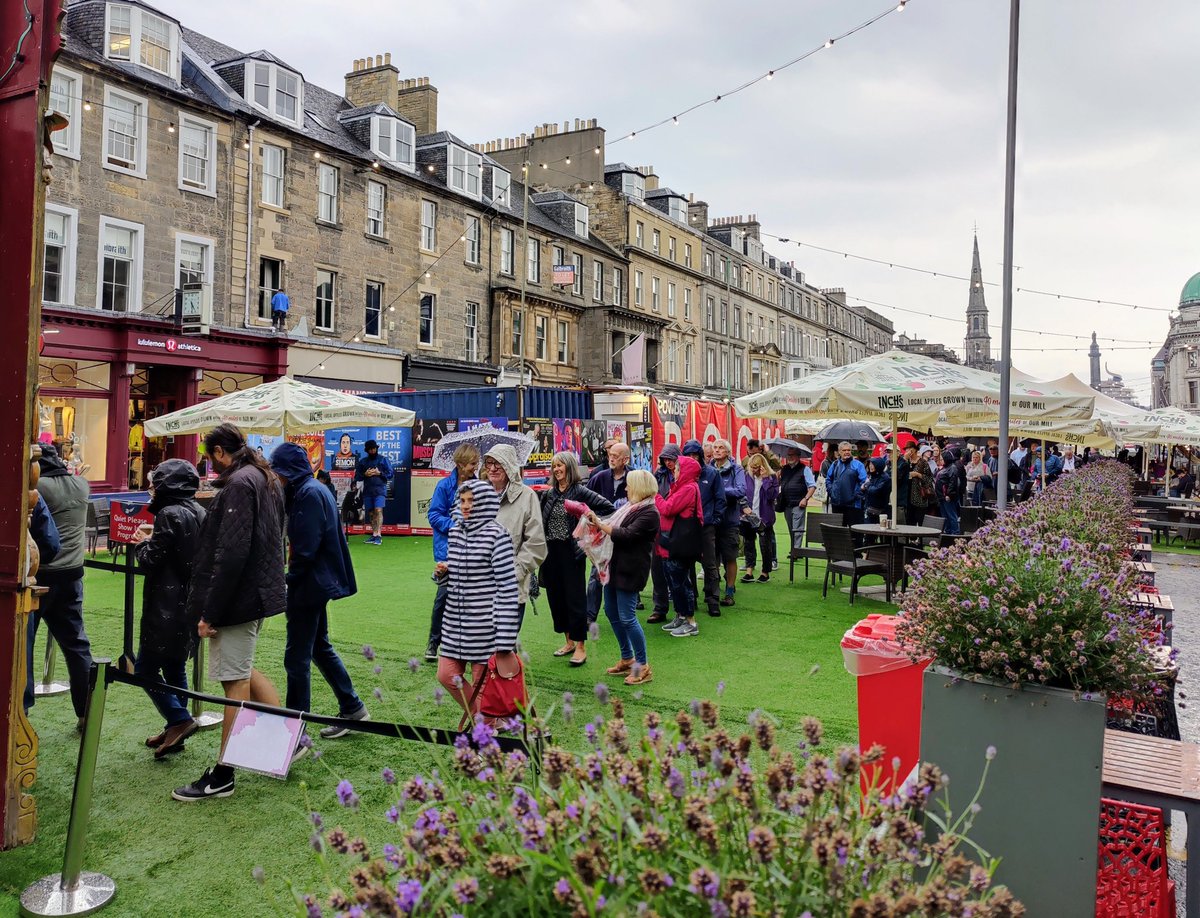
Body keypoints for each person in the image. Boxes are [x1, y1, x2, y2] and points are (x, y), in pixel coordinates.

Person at [173, 423, 284, 802]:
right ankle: (287, 741)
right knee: (242, 671)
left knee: (233, 680)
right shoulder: (263, 477)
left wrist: (211, 610)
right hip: (255, 593)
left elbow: (233, 553)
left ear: (220, 452)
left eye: (210, 457)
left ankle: (223, 773)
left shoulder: (241, 483)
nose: (211, 465)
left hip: (239, 597)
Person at [269, 443, 367, 756]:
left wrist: (289, 580)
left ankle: (296, 734)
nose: (275, 478)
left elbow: (306, 548)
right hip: (317, 582)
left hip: (309, 584)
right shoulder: (312, 489)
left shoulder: (307, 493)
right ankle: (352, 707)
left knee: (297, 657)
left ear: (285, 472)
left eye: (277, 472)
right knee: (317, 647)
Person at [131, 460, 205, 758]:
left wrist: (141, 543)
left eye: (154, 483)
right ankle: (176, 725)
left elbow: (151, 559)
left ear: (166, 485)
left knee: (145, 668)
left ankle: (178, 719)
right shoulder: (198, 511)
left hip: (166, 604)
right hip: (188, 602)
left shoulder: (169, 514)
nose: (150, 489)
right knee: (175, 665)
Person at [434, 478, 521, 716]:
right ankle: (487, 717)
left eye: (472, 500)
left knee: (483, 685)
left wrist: (504, 636)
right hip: (454, 624)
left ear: (485, 502)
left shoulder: (497, 535)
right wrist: (444, 573)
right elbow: (458, 574)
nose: (466, 505)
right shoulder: (455, 533)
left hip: (485, 626)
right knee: (446, 674)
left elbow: (507, 587)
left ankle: (486, 731)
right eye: (462, 500)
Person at [25, 444, 92, 725]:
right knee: (76, 645)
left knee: (23, 646)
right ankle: (86, 711)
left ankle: (21, 713)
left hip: (40, 575)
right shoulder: (81, 485)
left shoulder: (38, 487)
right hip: (72, 574)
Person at [539, 451, 614, 666]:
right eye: (554, 466)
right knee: (556, 597)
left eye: (560, 465)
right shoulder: (549, 493)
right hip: (551, 550)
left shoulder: (580, 491)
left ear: (569, 467)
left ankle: (581, 645)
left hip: (571, 551)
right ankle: (568, 641)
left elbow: (607, 508)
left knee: (575, 597)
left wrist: (588, 518)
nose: (556, 470)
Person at [585, 470, 659, 685]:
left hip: (630, 570)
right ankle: (627, 658)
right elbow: (615, 527)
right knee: (611, 611)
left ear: (638, 487)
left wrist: (599, 524)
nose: (625, 489)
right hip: (614, 568)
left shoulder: (650, 512)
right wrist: (597, 522)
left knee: (627, 617)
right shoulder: (631, 507)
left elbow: (624, 535)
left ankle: (643, 665)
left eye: (628, 485)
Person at [425, 445, 479, 662]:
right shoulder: (444, 486)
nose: (476, 466)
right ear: (460, 465)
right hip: (447, 550)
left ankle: (467, 646)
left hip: (473, 549)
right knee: (444, 596)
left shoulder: (479, 484)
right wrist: (456, 524)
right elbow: (433, 515)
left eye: (476, 463)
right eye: (472, 463)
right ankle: (433, 642)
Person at [483, 444, 546, 628]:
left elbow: (536, 544)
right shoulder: (478, 493)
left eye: (498, 464)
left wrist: (514, 571)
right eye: (489, 463)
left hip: (510, 586)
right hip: (479, 586)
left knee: (504, 646)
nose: (492, 468)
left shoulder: (527, 497)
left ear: (510, 465)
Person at [655, 454, 703, 638]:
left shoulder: (688, 488)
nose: (673, 471)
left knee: (681, 582)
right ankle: (681, 615)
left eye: (677, 469)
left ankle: (690, 621)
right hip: (671, 542)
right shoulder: (683, 487)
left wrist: (655, 496)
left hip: (678, 543)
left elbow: (668, 508)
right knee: (674, 581)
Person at [585, 442, 630, 624]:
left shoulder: (633, 477)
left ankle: (623, 614)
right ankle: (590, 616)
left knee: (623, 573)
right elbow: (586, 500)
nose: (611, 458)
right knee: (596, 575)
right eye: (610, 454)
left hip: (623, 533)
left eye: (616, 456)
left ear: (625, 459)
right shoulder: (599, 476)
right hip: (600, 534)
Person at [681, 439, 725, 617]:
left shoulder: (712, 473)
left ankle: (713, 599)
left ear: (700, 455)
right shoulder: (681, 473)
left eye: (695, 454)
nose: (692, 458)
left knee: (710, 564)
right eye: (688, 455)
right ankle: (691, 597)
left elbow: (720, 499)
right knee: (687, 563)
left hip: (706, 526)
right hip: (686, 525)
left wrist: (715, 520)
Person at [646, 445, 680, 624]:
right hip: (659, 526)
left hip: (680, 528)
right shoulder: (657, 475)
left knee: (678, 570)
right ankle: (660, 608)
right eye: (665, 459)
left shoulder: (685, 476)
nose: (668, 462)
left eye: (671, 459)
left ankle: (682, 612)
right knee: (657, 568)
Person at [711, 439, 747, 607]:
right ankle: (713, 591)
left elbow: (741, 490)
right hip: (711, 521)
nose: (717, 450)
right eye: (715, 448)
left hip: (729, 521)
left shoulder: (736, 469)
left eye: (721, 448)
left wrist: (719, 490)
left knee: (730, 557)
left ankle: (730, 591)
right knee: (712, 559)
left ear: (728, 452)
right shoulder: (708, 468)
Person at [741, 453, 779, 583]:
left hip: (764, 517)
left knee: (765, 546)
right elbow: (743, 493)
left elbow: (771, 496)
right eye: (752, 467)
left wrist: (766, 479)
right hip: (749, 516)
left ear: (762, 467)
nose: (754, 470)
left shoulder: (772, 477)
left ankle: (765, 572)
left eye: (756, 468)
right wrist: (744, 508)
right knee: (749, 544)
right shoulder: (747, 477)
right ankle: (749, 570)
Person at [777, 447, 816, 557]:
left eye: (792, 455)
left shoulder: (805, 469)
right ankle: (794, 549)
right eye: (788, 455)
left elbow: (812, 486)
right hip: (786, 503)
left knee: (797, 529)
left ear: (798, 456)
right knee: (791, 528)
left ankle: (796, 551)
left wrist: (806, 498)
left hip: (799, 503)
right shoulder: (784, 469)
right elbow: (778, 482)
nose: (790, 457)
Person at [354, 439, 393, 545]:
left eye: (374, 449)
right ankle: (374, 534)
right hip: (367, 491)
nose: (372, 451)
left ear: (376, 448)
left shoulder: (383, 459)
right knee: (371, 512)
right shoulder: (363, 462)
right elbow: (357, 476)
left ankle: (379, 535)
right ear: (367, 450)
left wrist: (379, 473)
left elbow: (390, 474)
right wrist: (365, 474)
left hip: (380, 490)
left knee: (378, 510)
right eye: (370, 449)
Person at [826, 441, 868, 529]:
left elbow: (865, 482)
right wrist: (831, 492)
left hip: (853, 506)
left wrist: (857, 495)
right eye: (844, 450)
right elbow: (828, 479)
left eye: (848, 450)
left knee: (855, 532)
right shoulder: (835, 464)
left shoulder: (857, 465)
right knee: (839, 533)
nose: (847, 452)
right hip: (837, 504)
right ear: (839, 452)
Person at [934, 450, 962, 535]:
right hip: (942, 496)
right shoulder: (946, 467)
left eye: (942, 459)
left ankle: (955, 532)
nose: (941, 460)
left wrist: (949, 494)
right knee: (945, 516)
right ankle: (948, 531)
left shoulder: (952, 468)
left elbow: (953, 482)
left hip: (947, 496)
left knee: (951, 515)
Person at [862, 456, 892, 522]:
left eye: (873, 464)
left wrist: (866, 485)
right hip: (869, 509)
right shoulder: (871, 476)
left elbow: (876, 490)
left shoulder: (885, 478)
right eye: (870, 464)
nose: (870, 466)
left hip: (879, 512)